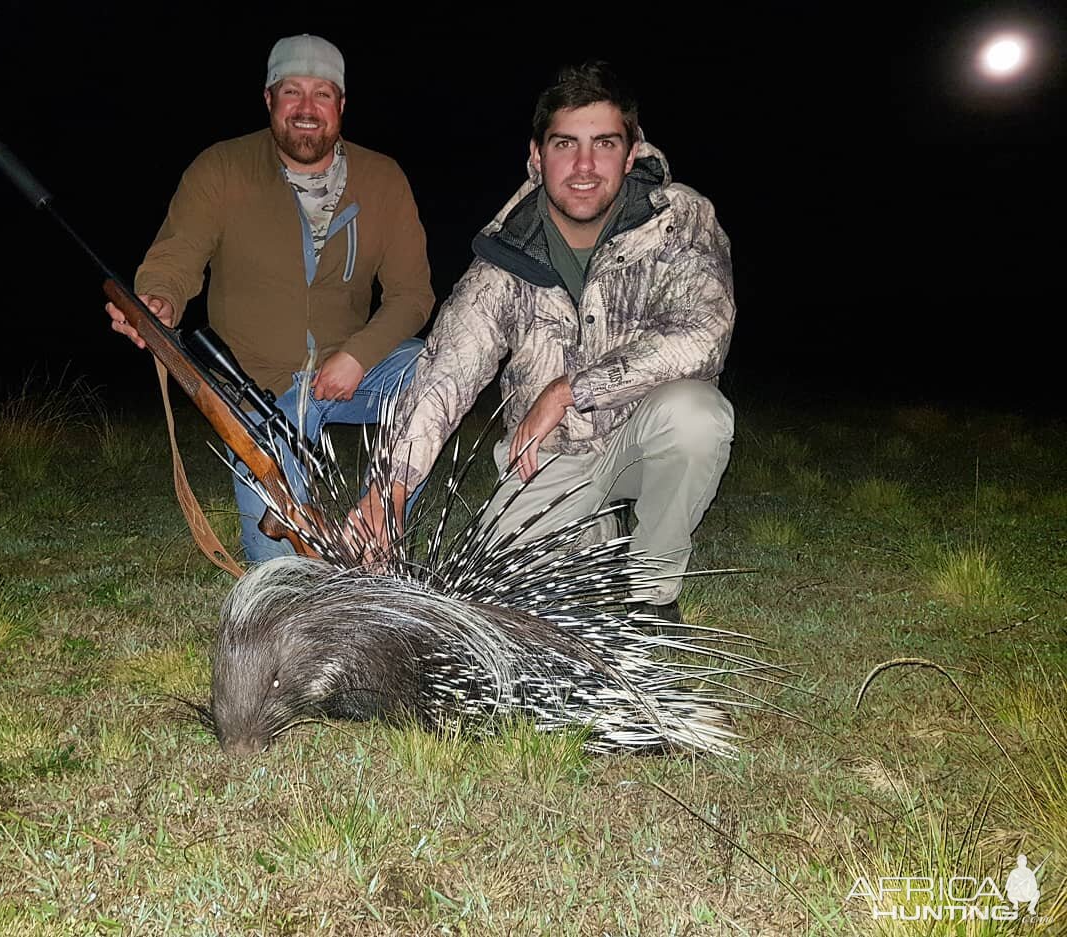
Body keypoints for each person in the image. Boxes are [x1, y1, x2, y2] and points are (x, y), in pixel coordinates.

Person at [358, 61, 735, 622]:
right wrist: (386, 493)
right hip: (549, 458)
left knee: (698, 416)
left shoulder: (680, 219)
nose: (584, 166)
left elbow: (705, 332)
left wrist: (568, 390)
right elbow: (447, 370)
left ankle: (651, 590)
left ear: (631, 153)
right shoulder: (507, 251)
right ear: (536, 156)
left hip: (644, 436)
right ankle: (595, 539)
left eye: (604, 143)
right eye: (565, 144)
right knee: (496, 593)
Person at [106, 34, 434, 561]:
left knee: (432, 366)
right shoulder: (221, 167)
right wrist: (157, 301)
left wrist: (359, 355)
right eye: (292, 92)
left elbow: (413, 295)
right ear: (268, 99)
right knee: (277, 574)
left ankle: (380, 520)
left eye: (322, 94)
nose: (307, 109)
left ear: (341, 105)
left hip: (343, 376)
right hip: (252, 388)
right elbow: (176, 256)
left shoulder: (384, 178)